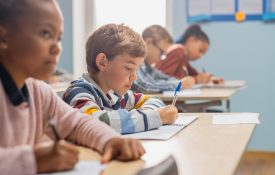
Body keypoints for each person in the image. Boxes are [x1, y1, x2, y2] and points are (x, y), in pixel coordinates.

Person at [0, 1, 144, 174]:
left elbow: (76, 124)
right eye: (45, 33)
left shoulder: (38, 92)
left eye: (58, 38)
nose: (56, 48)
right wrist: (32, 160)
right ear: (3, 37)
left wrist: (109, 139)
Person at [63, 24, 178, 134]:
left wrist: (144, 114)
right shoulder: (78, 92)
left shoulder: (116, 95)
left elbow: (154, 100)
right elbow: (94, 123)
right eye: (128, 68)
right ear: (102, 62)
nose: (134, 77)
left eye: (136, 69)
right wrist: (155, 117)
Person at [131, 25, 195, 94]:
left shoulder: (147, 66)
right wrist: (178, 85)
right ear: (148, 42)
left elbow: (163, 77)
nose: (160, 59)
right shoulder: (134, 60)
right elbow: (144, 86)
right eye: (161, 52)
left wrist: (182, 81)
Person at [155, 24, 224, 84]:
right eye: (200, 50)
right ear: (191, 39)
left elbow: (194, 73)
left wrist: (211, 78)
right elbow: (162, 78)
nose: (200, 56)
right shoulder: (178, 52)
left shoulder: (183, 58)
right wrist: (196, 80)